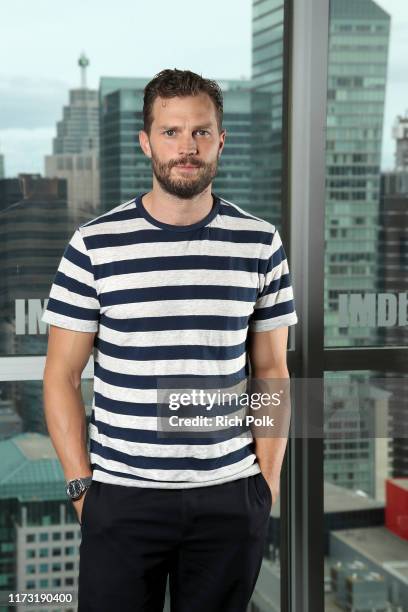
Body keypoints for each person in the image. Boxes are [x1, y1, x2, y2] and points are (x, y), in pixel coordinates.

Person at [41, 68, 298, 612]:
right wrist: (82, 490)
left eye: (201, 132)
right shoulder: (93, 245)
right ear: (146, 141)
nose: (188, 147)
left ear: (221, 141)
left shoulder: (260, 243)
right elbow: (61, 375)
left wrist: (265, 484)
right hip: (121, 499)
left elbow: (272, 371)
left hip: (230, 499)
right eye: (171, 132)